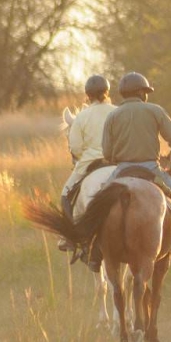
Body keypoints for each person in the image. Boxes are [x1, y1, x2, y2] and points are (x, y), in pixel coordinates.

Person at [101, 71, 171, 205]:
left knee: (96, 204)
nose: (146, 95)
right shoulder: (155, 110)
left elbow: (106, 152)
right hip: (151, 168)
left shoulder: (112, 116)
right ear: (140, 92)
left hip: (122, 169)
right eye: (145, 92)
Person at [58, 74, 117, 251]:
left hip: (91, 163)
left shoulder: (83, 116)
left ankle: (69, 237)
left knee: (65, 194)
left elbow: (75, 148)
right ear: (107, 92)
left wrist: (86, 154)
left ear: (87, 95)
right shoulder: (118, 111)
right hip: (118, 163)